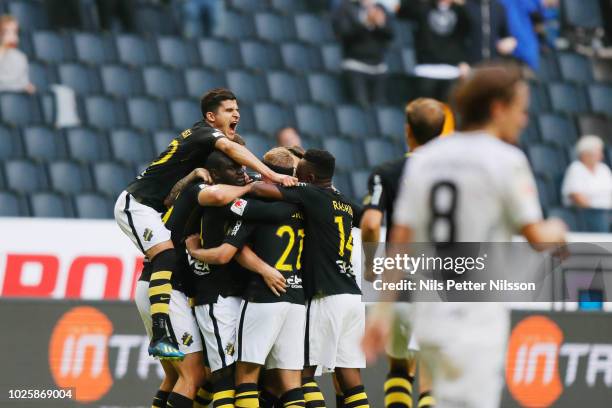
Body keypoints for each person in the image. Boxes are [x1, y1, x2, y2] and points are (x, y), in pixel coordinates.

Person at [363, 63, 567, 407]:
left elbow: (400, 241)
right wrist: (559, 230)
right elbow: (536, 236)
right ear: (497, 108)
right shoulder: (506, 160)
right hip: (475, 315)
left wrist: (382, 313)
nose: (524, 119)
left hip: (429, 317)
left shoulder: (426, 161)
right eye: (521, 109)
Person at [114, 88, 296, 360]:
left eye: (237, 109)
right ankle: (160, 330)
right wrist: (271, 176)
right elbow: (230, 149)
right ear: (211, 117)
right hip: (135, 202)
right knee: (165, 254)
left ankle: (162, 331)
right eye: (228, 110)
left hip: (151, 207)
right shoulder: (204, 134)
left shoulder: (200, 158)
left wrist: (192, 175)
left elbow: (169, 196)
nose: (236, 113)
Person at [186, 148, 308, 407]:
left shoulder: (250, 208)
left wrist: (195, 251)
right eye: (238, 169)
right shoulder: (305, 205)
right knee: (291, 383)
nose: (246, 173)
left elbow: (227, 253)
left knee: (237, 380)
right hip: (295, 296)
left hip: (260, 296)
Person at [250, 149, 370, 408]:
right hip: (352, 297)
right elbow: (371, 219)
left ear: (311, 177)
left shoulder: (311, 194)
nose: (294, 178)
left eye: (299, 175)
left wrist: (277, 180)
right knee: (352, 380)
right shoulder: (342, 200)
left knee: (300, 374)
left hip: (326, 297)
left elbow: (262, 190)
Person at [361, 98, 447, 408]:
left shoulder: (387, 172)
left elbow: (371, 223)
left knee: (399, 366)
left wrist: (371, 264)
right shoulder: (456, 173)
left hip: (402, 276)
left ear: (408, 130)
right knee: (429, 366)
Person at [397, 0, 472, 100]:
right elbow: (402, 12)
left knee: (448, 113)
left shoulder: (459, 10)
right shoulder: (424, 7)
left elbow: (471, 28)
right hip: (426, 69)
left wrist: (463, 5)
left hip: (451, 69)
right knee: (423, 112)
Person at [333, 0, 394, 106]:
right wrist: (366, 22)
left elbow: (390, 35)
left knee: (379, 108)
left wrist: (380, 24)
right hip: (355, 66)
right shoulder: (346, 8)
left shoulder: (381, 9)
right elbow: (344, 35)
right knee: (360, 107)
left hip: (378, 67)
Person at [562, 135, 612, 232]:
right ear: (585, 154)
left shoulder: (603, 169)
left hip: (607, 213)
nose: (601, 156)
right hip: (587, 215)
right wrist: (597, 213)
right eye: (597, 153)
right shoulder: (576, 168)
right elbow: (577, 197)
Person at [464, 0, 517, 64]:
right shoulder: (465, 6)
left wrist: (509, 42)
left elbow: (505, 35)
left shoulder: (499, 7)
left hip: (493, 63)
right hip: (469, 64)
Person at [0, 15, 35, 93]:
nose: (12, 37)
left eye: (15, 32)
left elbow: (24, 83)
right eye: (7, 32)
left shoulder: (21, 57)